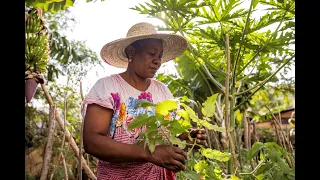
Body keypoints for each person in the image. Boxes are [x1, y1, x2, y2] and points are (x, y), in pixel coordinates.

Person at [82, 22, 208, 180]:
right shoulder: (108, 87)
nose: (157, 61)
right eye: (151, 53)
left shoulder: (163, 91)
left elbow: (170, 136)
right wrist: (149, 152)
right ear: (131, 52)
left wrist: (188, 137)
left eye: (160, 56)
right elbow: (92, 141)